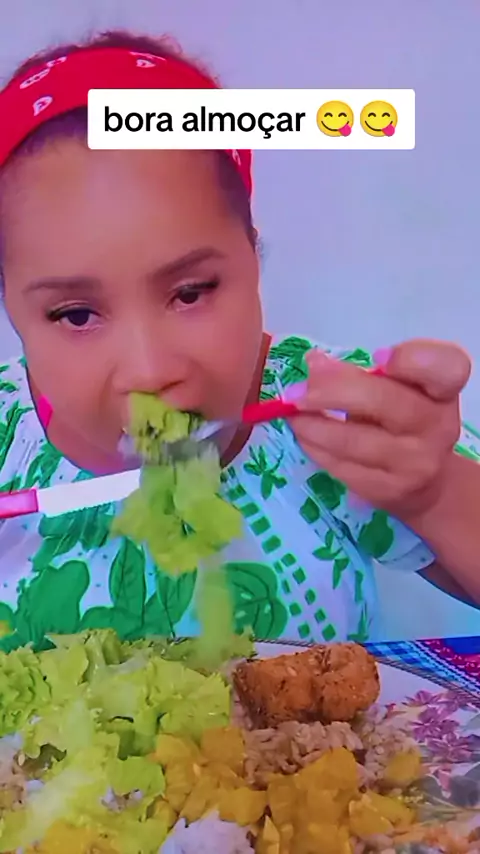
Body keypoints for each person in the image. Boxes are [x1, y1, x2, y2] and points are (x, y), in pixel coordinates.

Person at [0, 30, 478, 652]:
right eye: (76, 315)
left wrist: (435, 491)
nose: (148, 371)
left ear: (254, 256)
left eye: (190, 293)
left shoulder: (327, 413)